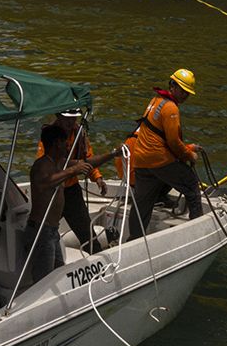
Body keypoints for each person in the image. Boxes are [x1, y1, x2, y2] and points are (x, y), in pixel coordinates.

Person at [104, 69, 207, 241]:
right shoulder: (171, 108)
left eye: (187, 93)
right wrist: (189, 155)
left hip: (142, 162)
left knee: (142, 204)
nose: (185, 96)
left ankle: (134, 240)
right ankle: (198, 234)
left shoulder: (155, 101)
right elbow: (173, 142)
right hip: (159, 161)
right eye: (183, 91)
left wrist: (188, 147)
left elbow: (157, 137)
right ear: (172, 86)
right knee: (191, 185)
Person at [23, 125, 92, 287]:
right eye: (64, 143)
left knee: (58, 273)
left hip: (53, 231)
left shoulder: (59, 163)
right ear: (56, 144)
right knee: (43, 281)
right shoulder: (41, 166)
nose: (68, 146)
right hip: (41, 231)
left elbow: (88, 162)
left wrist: (114, 154)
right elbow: (46, 182)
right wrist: (73, 170)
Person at [34, 110, 106, 250]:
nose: (71, 122)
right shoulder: (50, 135)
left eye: (73, 118)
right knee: (44, 229)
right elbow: (42, 164)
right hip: (53, 191)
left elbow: (87, 157)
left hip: (71, 190)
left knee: (86, 231)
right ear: (58, 117)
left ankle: (94, 255)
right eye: (67, 118)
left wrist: (97, 177)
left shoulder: (79, 133)